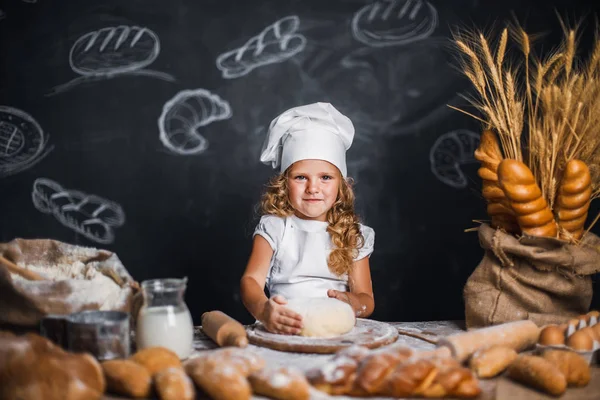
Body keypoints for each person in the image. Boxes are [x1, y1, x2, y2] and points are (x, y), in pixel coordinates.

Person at [240, 102, 375, 335]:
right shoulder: (275, 227)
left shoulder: (353, 234)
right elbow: (250, 281)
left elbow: (366, 299)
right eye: (301, 177)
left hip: (338, 335)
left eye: (325, 177)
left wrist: (352, 303)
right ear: (284, 184)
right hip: (283, 329)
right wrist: (264, 310)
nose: (313, 188)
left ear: (341, 185)